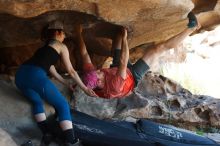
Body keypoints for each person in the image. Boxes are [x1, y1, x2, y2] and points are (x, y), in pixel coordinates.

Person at [78, 12, 201, 99]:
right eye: (99, 73)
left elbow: (84, 54)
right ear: (99, 82)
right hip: (131, 77)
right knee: (158, 49)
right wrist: (125, 39)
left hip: (115, 69)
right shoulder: (114, 86)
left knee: (117, 36)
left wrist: (78, 33)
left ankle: (123, 35)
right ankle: (192, 27)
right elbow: (123, 61)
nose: (99, 70)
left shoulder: (91, 78)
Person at [15, 20, 96, 146]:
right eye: (63, 33)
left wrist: (65, 83)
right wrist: (85, 88)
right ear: (58, 32)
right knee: (63, 105)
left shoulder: (43, 49)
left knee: (37, 101)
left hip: (20, 76)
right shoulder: (61, 46)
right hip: (35, 75)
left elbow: (51, 70)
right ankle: (71, 141)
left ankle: (46, 133)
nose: (64, 36)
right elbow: (71, 71)